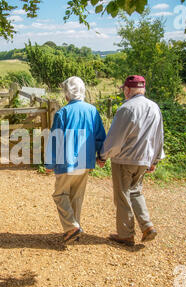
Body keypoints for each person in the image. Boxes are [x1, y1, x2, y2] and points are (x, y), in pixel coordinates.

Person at [97, 75, 164, 246]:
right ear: (143, 89)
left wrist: (103, 155)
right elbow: (158, 136)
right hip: (144, 158)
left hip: (124, 159)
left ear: (127, 90)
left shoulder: (126, 108)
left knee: (122, 195)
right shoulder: (154, 107)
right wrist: (155, 159)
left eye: (124, 90)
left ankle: (126, 234)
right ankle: (147, 225)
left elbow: (116, 138)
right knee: (136, 191)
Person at [45, 76, 106, 244]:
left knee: (60, 194)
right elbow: (100, 136)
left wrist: (50, 164)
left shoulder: (62, 113)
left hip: (66, 161)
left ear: (67, 94)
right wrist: (102, 156)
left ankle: (71, 226)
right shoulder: (92, 111)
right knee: (76, 196)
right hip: (85, 161)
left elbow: (55, 139)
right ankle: (74, 230)